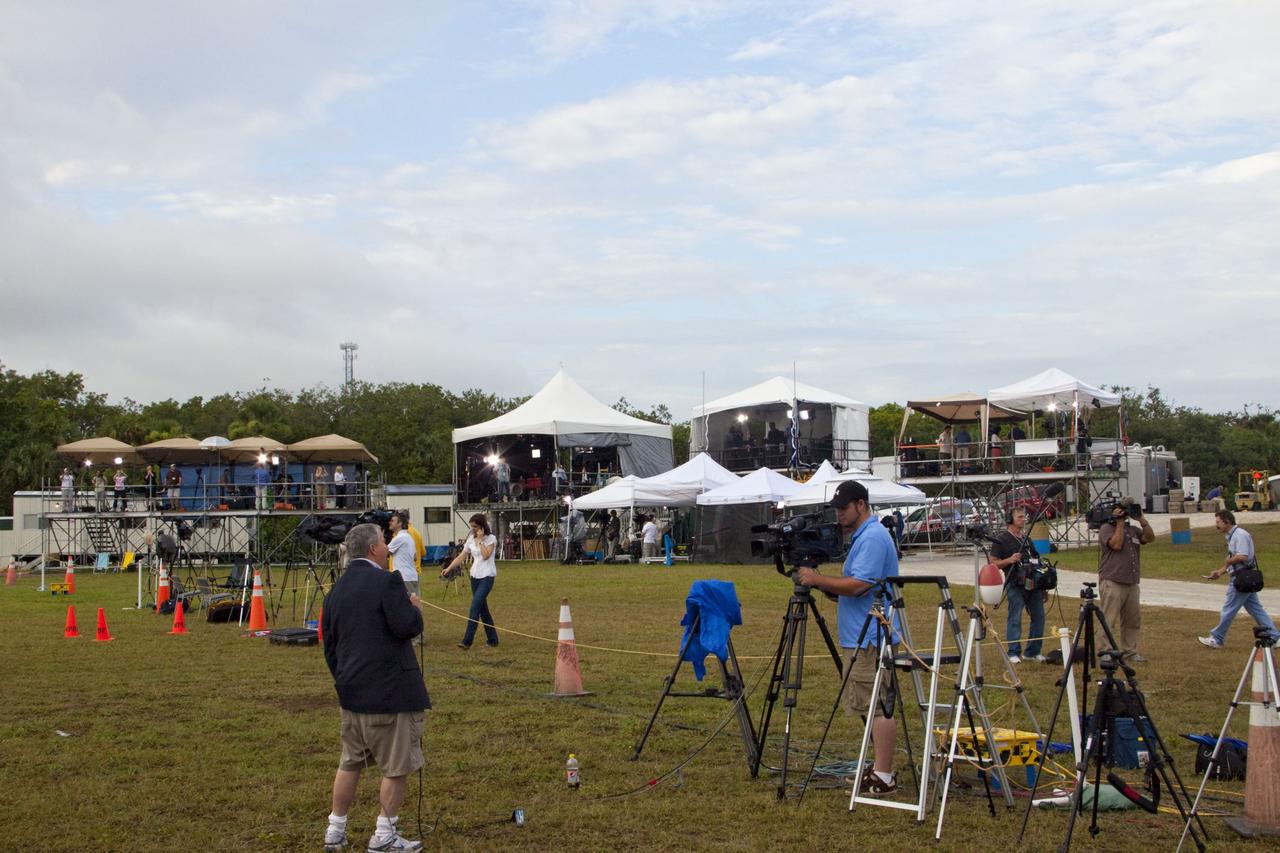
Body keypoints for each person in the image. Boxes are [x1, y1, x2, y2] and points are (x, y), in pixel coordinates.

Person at [320, 523, 428, 853]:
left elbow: (330, 645)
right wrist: (414, 609)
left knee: (350, 762)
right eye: (384, 542)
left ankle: (335, 829)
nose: (387, 547)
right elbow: (406, 626)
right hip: (389, 695)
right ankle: (384, 834)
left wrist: (344, 680)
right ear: (372, 549)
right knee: (397, 767)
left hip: (352, 694)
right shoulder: (386, 581)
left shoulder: (334, 591)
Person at [795, 480, 900, 796]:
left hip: (869, 636)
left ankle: (884, 776)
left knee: (877, 705)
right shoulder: (864, 537)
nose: (839, 514)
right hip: (860, 634)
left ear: (861, 505)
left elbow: (860, 585)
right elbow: (854, 588)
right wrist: (830, 588)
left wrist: (816, 578)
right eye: (837, 509)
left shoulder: (872, 537)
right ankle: (880, 769)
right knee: (868, 704)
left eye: (844, 508)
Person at [1198, 510, 1280, 648]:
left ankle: (1217, 639)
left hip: (1241, 579)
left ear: (1227, 521)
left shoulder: (1239, 535)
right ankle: (1274, 637)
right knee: (1256, 609)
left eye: (1218, 522)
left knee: (1229, 609)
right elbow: (1234, 561)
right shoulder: (1233, 535)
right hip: (1243, 576)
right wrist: (1220, 572)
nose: (1216, 525)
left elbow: (1243, 556)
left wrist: (1229, 561)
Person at [1098, 497, 1155, 661]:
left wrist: (1142, 520)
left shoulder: (1133, 530)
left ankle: (1130, 651)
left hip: (1131, 581)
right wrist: (1119, 523)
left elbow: (1149, 538)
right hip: (1112, 580)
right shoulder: (1106, 528)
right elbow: (1115, 545)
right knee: (1109, 618)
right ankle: (1106, 650)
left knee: (1132, 619)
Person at [990, 509, 1045, 663]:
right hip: (1015, 584)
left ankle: (1033, 651)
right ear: (1010, 519)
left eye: (1024, 516)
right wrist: (1009, 560)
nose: (1023, 519)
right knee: (1015, 618)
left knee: (1039, 617)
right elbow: (993, 563)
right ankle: (1013, 652)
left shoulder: (1027, 539)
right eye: (1019, 517)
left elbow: (1036, 558)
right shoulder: (1001, 539)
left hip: (1033, 584)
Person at [440, 513, 499, 649]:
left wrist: (480, 541)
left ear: (482, 527)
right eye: (471, 526)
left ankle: (467, 641)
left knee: (475, 607)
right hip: (474, 577)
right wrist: (448, 568)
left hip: (487, 577)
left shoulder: (491, 539)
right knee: (483, 610)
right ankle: (493, 640)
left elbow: (485, 556)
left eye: (475, 527)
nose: (472, 529)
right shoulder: (470, 540)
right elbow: (461, 556)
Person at [387, 510, 419, 597]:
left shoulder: (399, 538)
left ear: (399, 523)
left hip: (404, 577)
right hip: (412, 576)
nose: (390, 522)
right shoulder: (408, 537)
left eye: (393, 521)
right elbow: (415, 557)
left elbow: (384, 552)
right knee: (414, 605)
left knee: (405, 607)